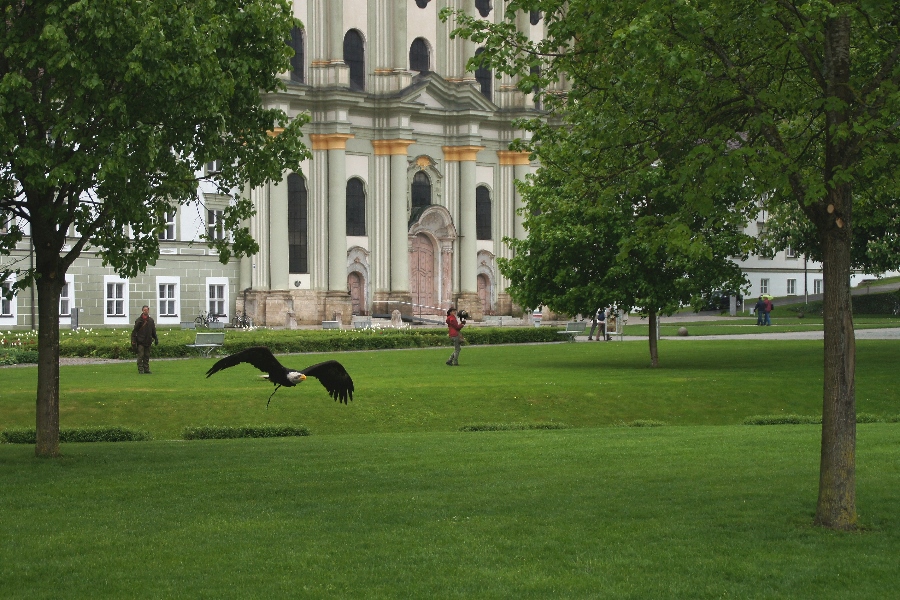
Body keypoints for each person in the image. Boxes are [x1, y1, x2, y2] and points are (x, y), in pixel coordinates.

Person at [131, 305, 159, 374]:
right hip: (140, 341)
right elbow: (134, 332)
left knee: (147, 356)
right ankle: (141, 369)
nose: (146, 311)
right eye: (144, 310)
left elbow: (153, 331)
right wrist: (133, 341)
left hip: (148, 341)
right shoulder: (139, 321)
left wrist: (156, 338)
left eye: (147, 310)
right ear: (142, 311)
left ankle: (146, 369)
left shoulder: (151, 321)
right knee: (141, 356)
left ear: (148, 311)